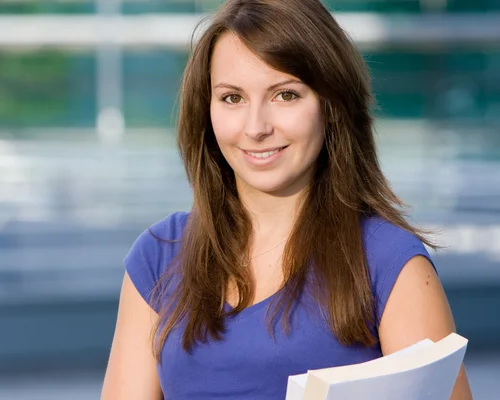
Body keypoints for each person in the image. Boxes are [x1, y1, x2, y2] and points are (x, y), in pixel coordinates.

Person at [101, 0, 473, 399]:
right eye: (232, 98)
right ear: (205, 110)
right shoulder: (159, 257)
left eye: (285, 95)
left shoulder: (388, 262)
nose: (256, 127)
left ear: (331, 106)